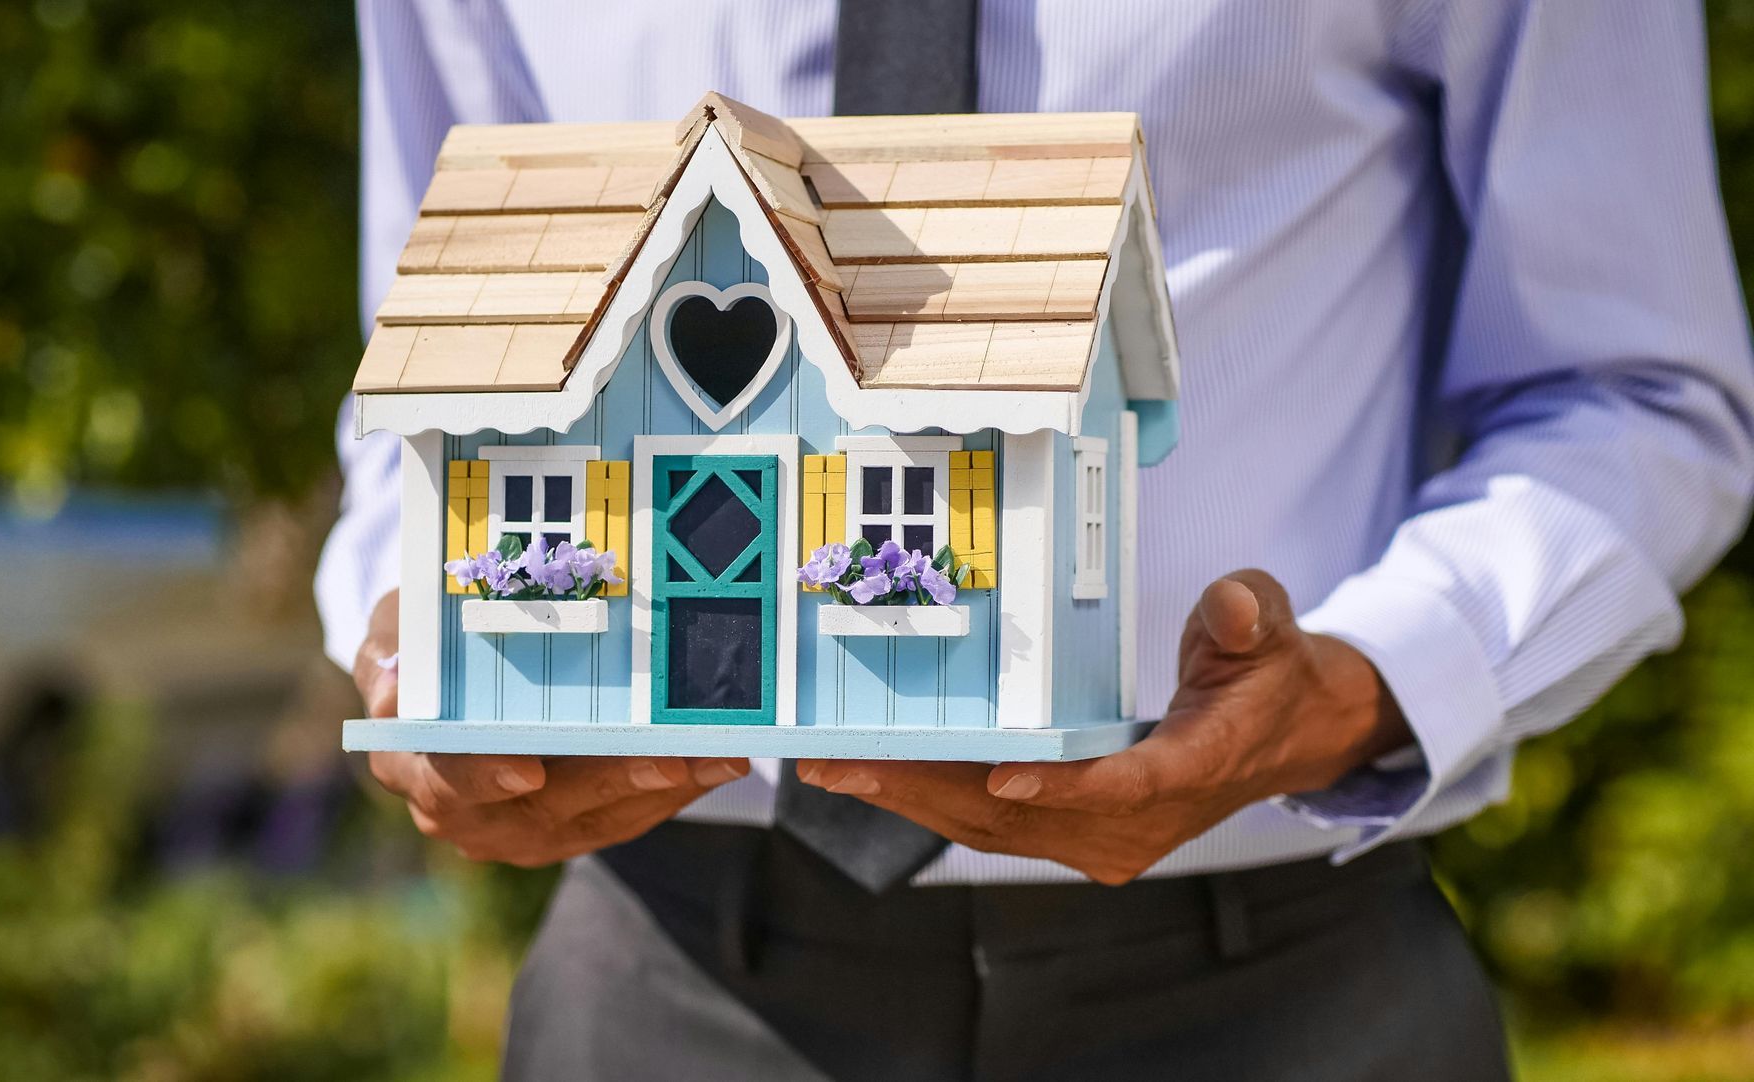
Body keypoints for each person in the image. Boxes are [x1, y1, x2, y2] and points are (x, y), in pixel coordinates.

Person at [317, 2, 1754, 1079]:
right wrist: (421, 640)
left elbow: (1636, 391)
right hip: (668, 982)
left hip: (1282, 995)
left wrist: (1370, 681)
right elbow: (439, 370)